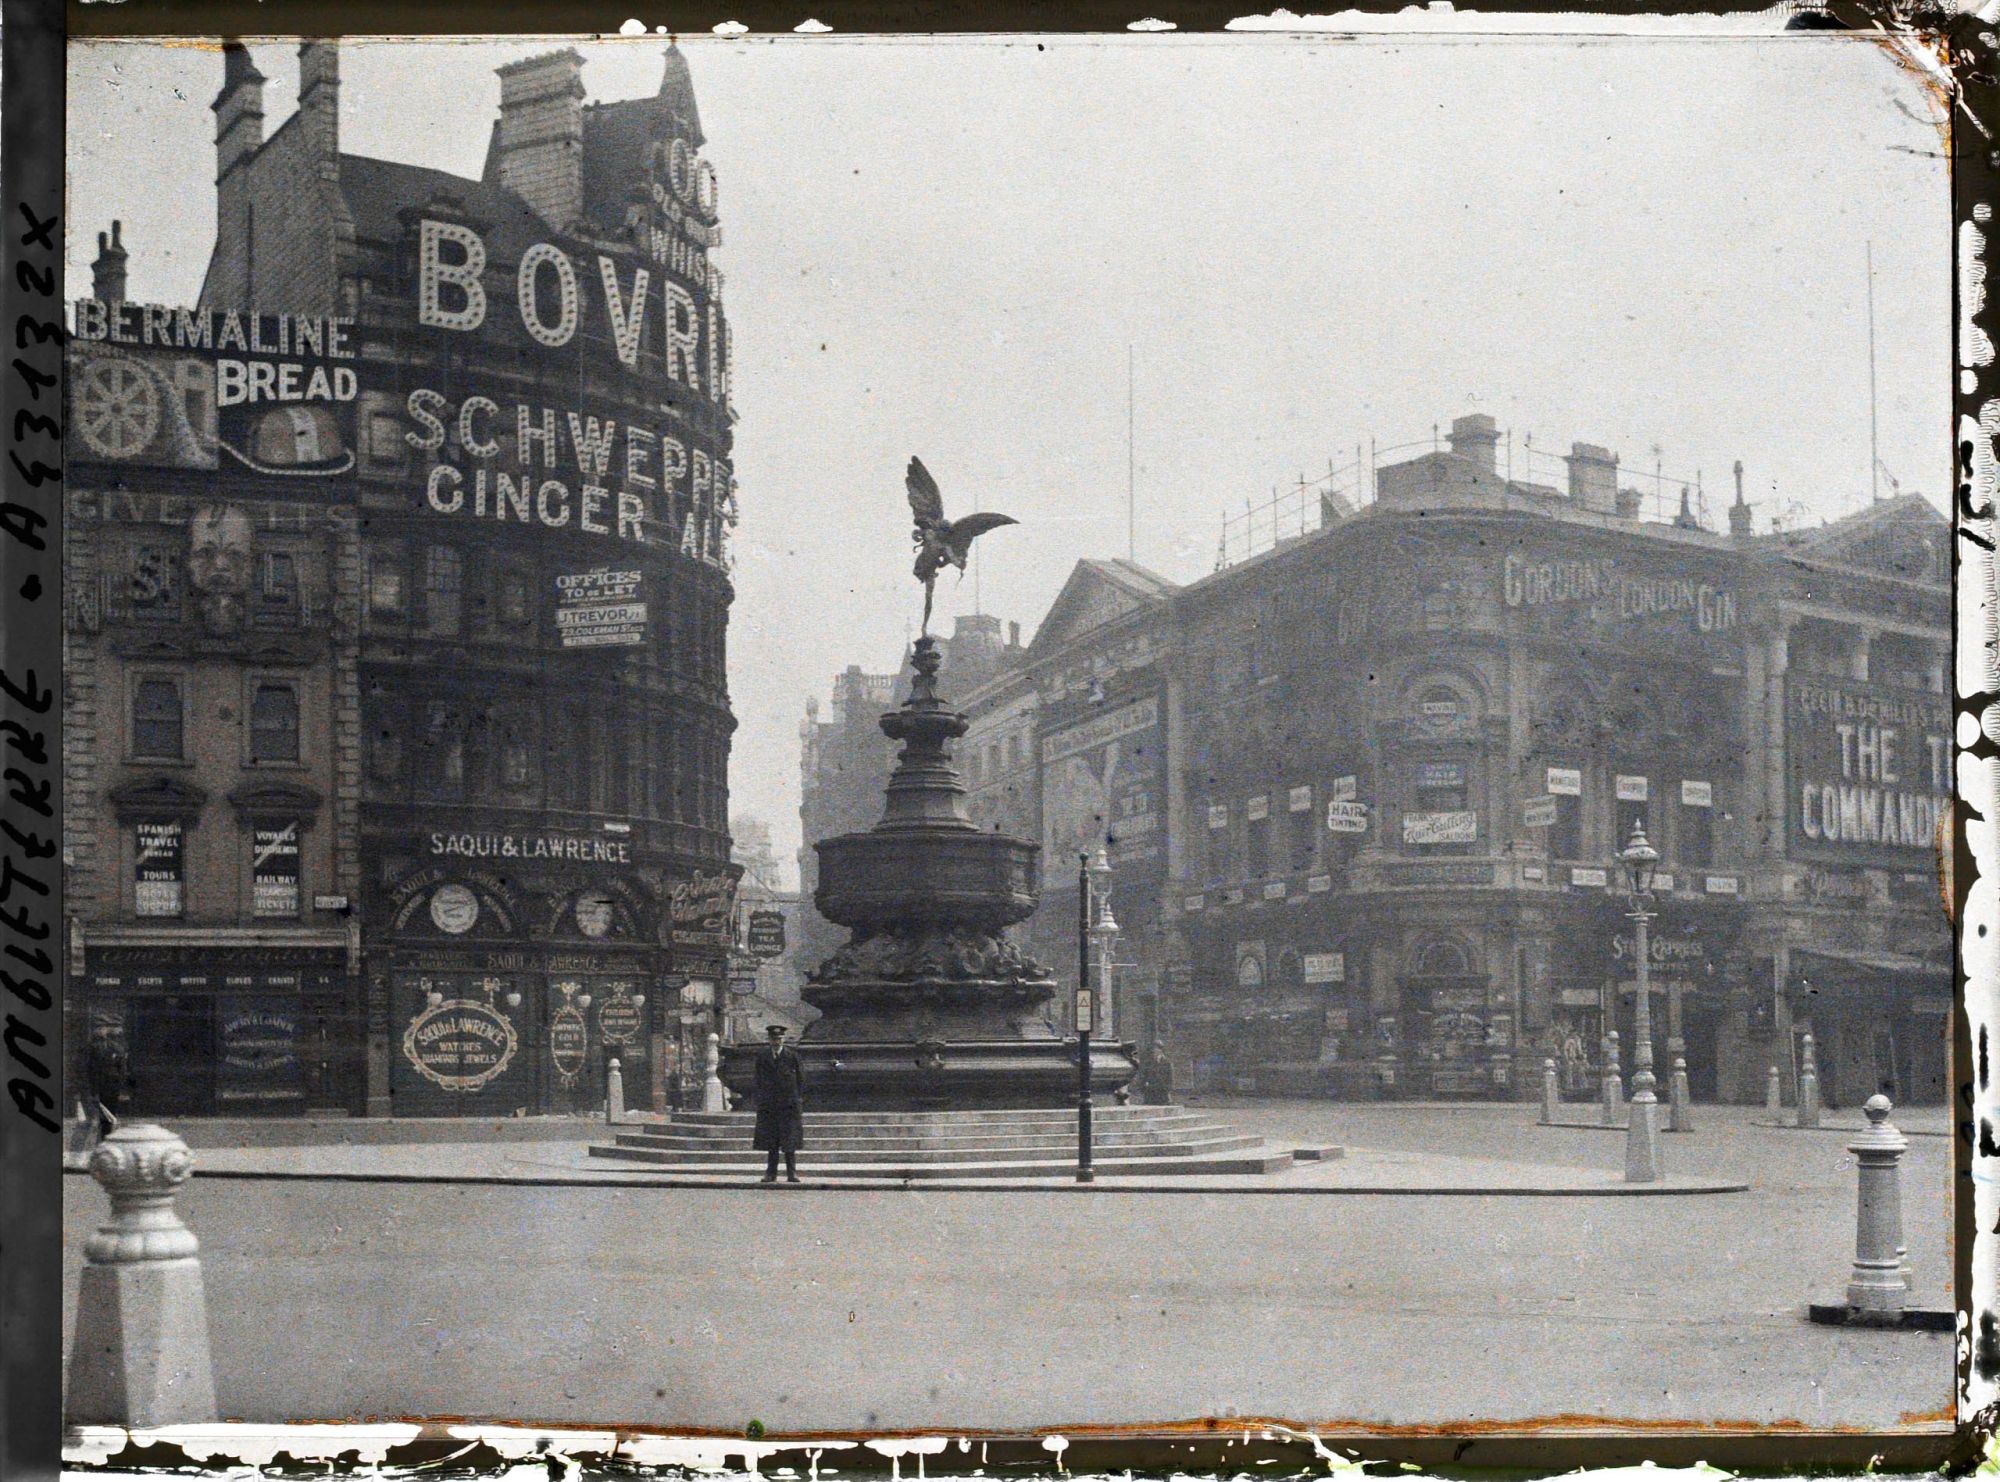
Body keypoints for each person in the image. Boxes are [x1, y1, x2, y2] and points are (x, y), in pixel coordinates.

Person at [752, 1023, 805, 1184]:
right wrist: (761, 1099)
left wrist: (797, 1100)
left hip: (788, 1105)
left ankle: (792, 1173)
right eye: (774, 1039)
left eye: (780, 1038)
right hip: (769, 1105)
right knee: (771, 1141)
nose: (777, 1041)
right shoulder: (763, 1056)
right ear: (769, 1040)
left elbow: (801, 1079)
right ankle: (770, 1173)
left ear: (783, 1039)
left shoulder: (792, 1056)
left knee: (790, 1141)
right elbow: (757, 1079)